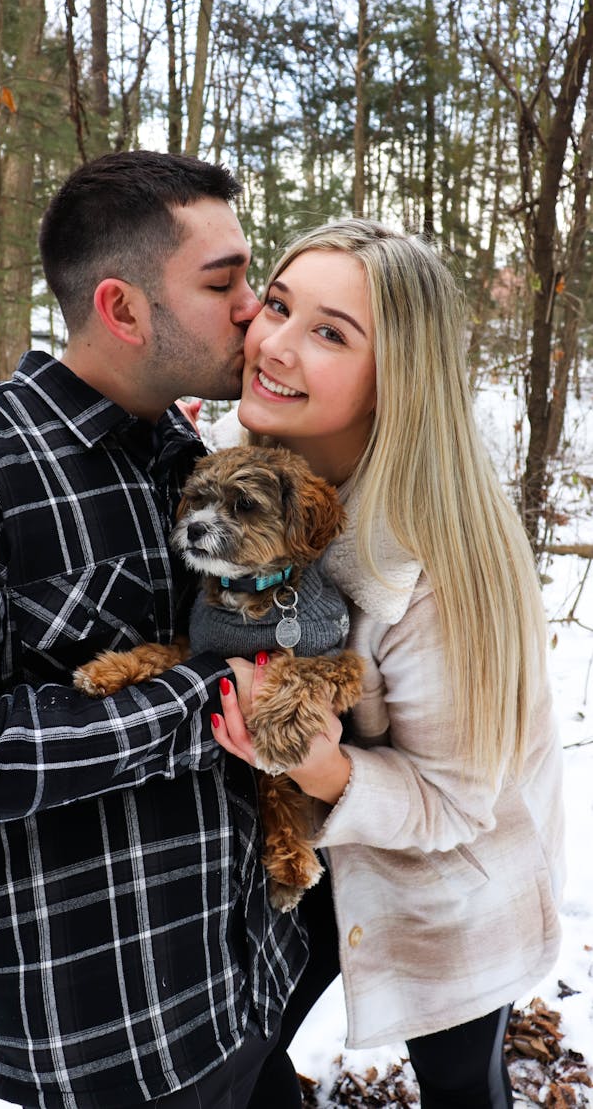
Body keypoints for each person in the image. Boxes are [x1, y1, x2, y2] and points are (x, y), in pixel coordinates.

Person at [0, 151, 309, 1109]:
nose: (252, 306)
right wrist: (201, 702)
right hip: (112, 1042)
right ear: (123, 307)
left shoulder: (193, 455)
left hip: (249, 979)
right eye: (222, 281)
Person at [213, 218, 565, 1109]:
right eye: (280, 306)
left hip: (456, 879)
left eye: (331, 332)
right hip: (315, 855)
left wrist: (314, 759)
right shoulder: (256, 473)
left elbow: (458, 800)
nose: (276, 345)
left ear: (395, 379)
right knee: (236, 1062)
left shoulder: (439, 563)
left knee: (460, 1081)